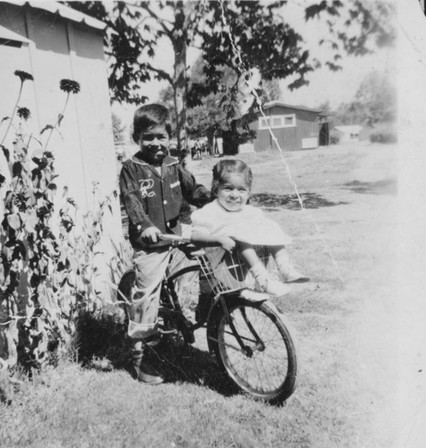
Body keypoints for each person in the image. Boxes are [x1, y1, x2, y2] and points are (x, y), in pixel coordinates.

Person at [119, 104, 210, 385]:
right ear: (137, 139)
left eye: (161, 136)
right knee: (146, 294)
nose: (156, 143)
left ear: (170, 137)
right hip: (152, 242)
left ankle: (208, 305)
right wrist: (144, 226)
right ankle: (141, 355)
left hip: (178, 231)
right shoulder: (131, 169)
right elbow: (132, 201)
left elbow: (193, 191)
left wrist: (217, 201)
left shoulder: (173, 166)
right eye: (148, 137)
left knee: (211, 253)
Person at [190, 159, 312, 297]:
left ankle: (285, 267)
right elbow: (195, 236)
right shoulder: (210, 212)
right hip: (224, 267)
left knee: (269, 226)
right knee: (241, 236)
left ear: (248, 193)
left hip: (243, 268)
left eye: (241, 190)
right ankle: (264, 281)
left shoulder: (247, 211)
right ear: (216, 189)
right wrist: (219, 239)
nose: (235, 195)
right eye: (228, 188)